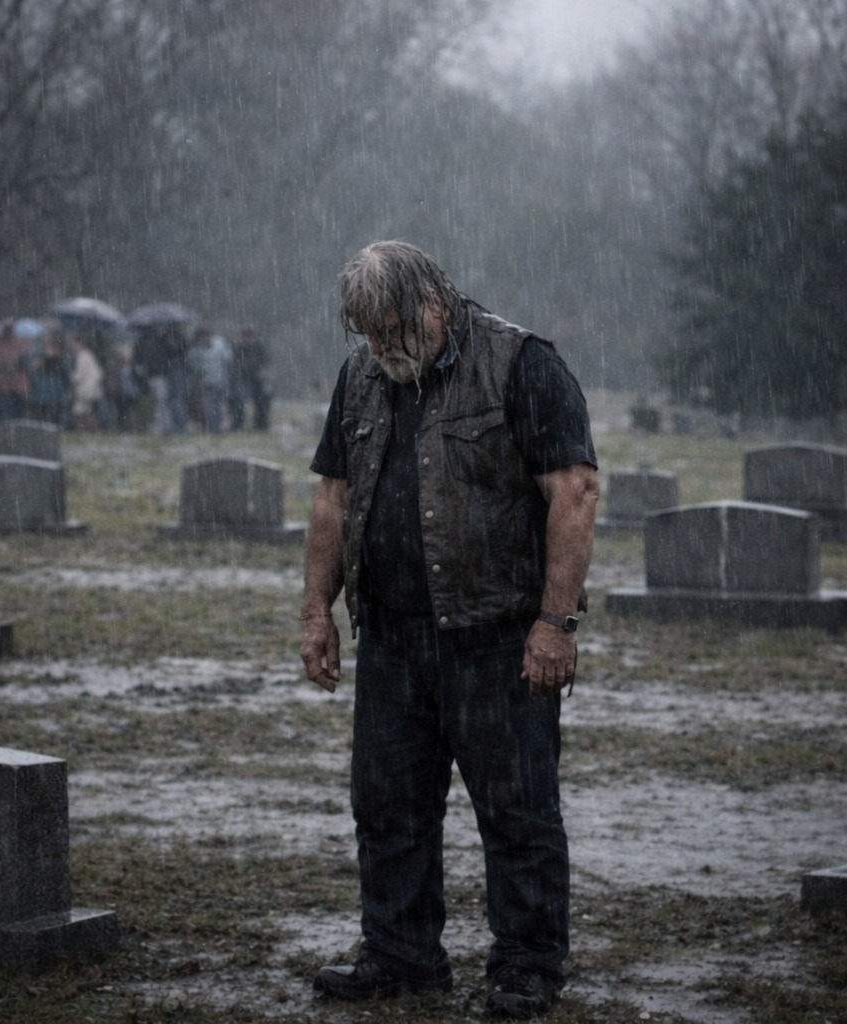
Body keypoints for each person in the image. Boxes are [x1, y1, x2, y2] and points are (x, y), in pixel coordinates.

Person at [300, 241, 599, 1019]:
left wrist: (555, 624)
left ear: (433, 302)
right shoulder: (362, 378)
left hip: (498, 635)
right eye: (364, 332)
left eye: (389, 328)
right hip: (393, 639)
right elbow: (331, 497)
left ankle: (527, 964)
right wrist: (316, 611)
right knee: (387, 806)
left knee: (517, 807)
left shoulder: (521, 363)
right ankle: (401, 956)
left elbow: (574, 491)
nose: (378, 348)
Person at [187, 326, 232, 434]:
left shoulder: (219, 344)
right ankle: (213, 428)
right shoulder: (197, 349)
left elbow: (228, 359)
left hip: (220, 381)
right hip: (206, 383)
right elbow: (192, 364)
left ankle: (216, 427)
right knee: (211, 406)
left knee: (217, 405)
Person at [0, 320, 29, 422]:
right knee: (1, 409)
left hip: (15, 385)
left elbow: (23, 364)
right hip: (1, 384)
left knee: (16, 410)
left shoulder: (18, 344)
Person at [229, 325, 272, 430]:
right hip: (241, 377)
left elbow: (264, 362)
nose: (245, 340)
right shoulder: (237, 348)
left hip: (257, 377)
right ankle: (238, 423)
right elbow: (234, 363)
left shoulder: (258, 347)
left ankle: (261, 424)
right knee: (237, 400)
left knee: (261, 402)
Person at [69, 336, 103, 430]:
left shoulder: (83, 357)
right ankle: (90, 430)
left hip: (86, 390)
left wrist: (71, 378)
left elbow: (79, 375)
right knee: (86, 411)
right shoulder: (88, 355)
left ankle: (85, 429)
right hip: (90, 389)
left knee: (80, 411)